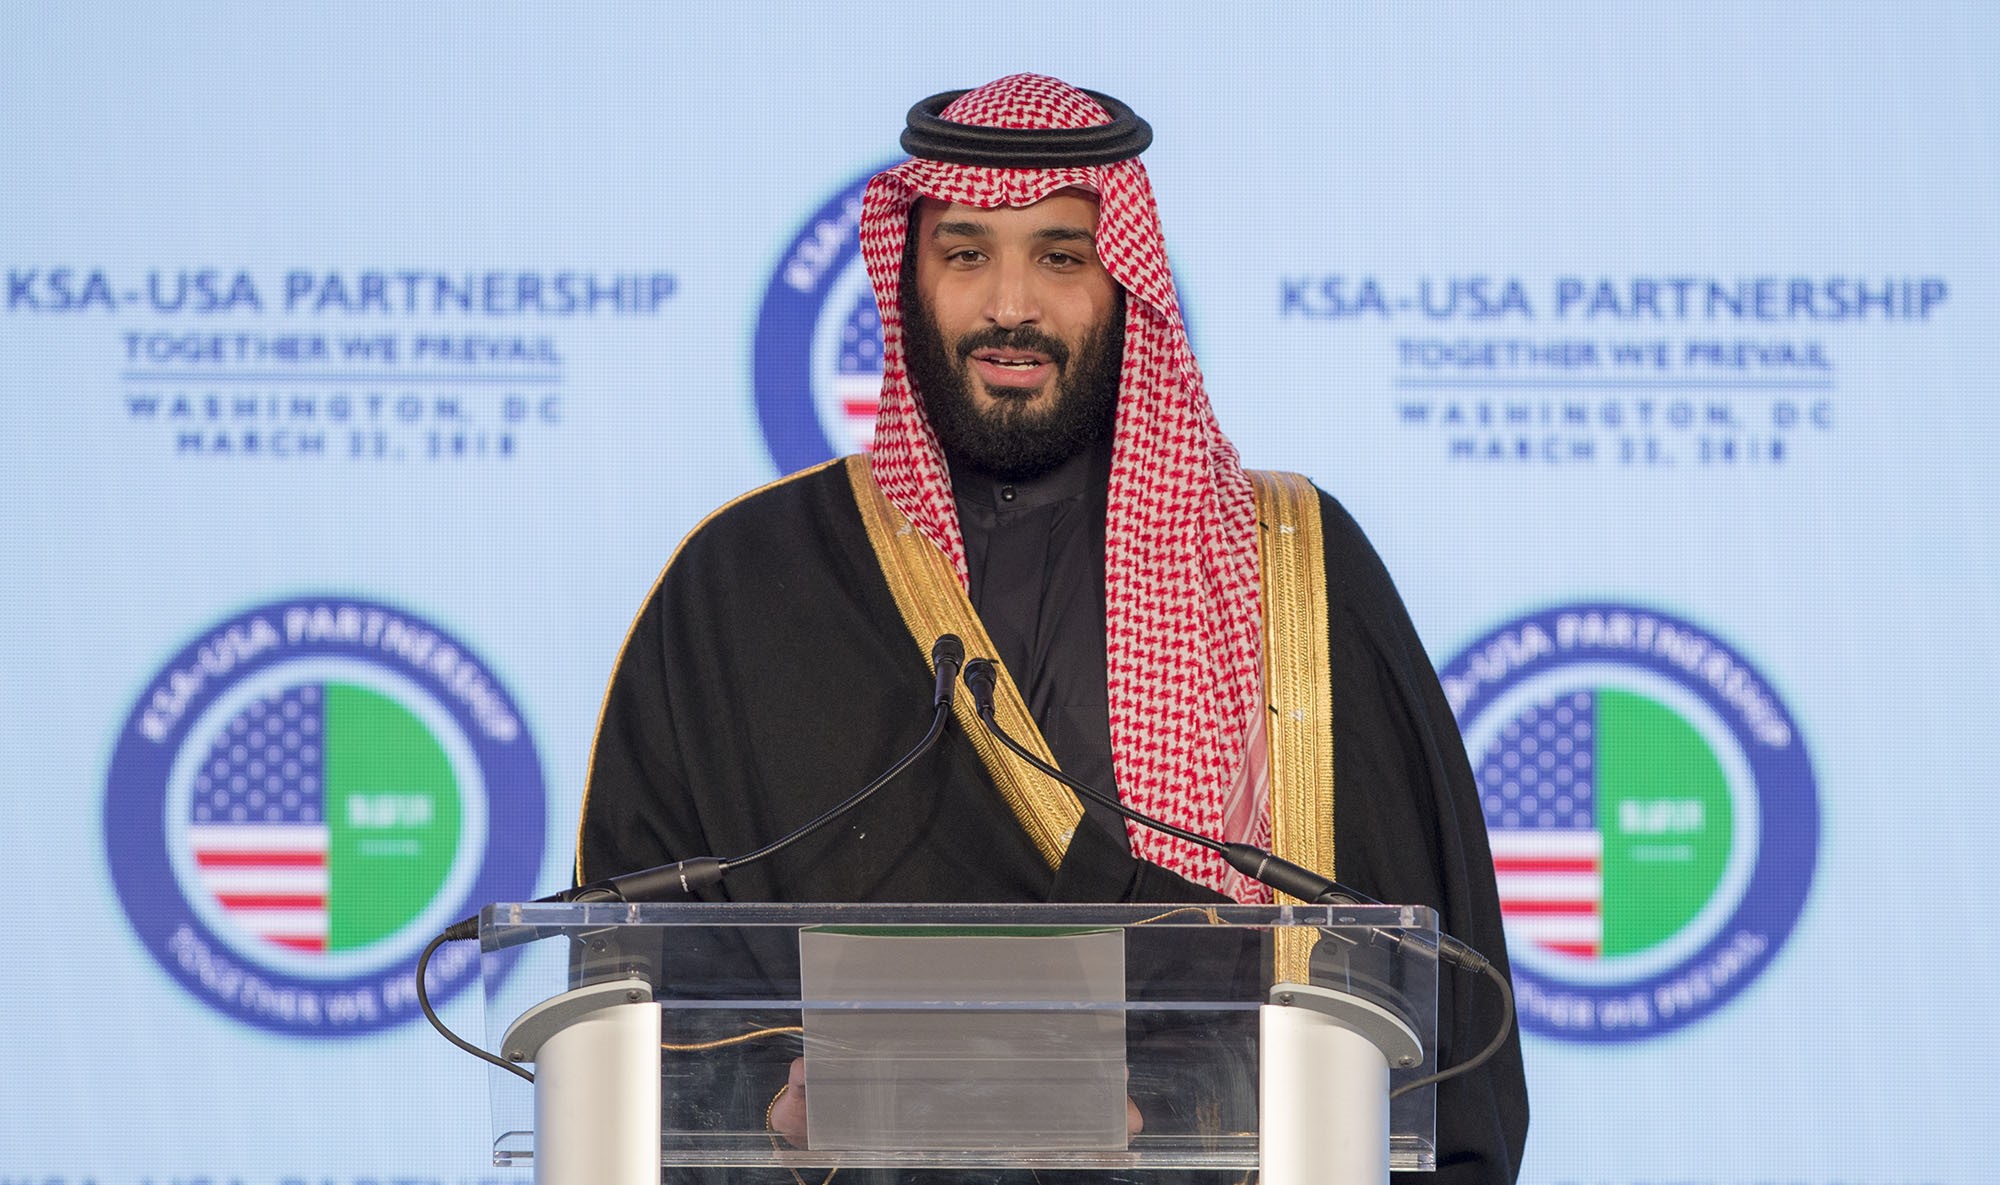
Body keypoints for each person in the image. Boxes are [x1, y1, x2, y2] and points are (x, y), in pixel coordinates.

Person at [579, 73, 1528, 1182]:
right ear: (908, 275)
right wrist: (785, 1107)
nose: (1010, 304)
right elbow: (641, 991)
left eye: (1060, 257)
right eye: (966, 252)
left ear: (1122, 281)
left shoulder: (1291, 570)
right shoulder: (743, 586)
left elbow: (1426, 1006)